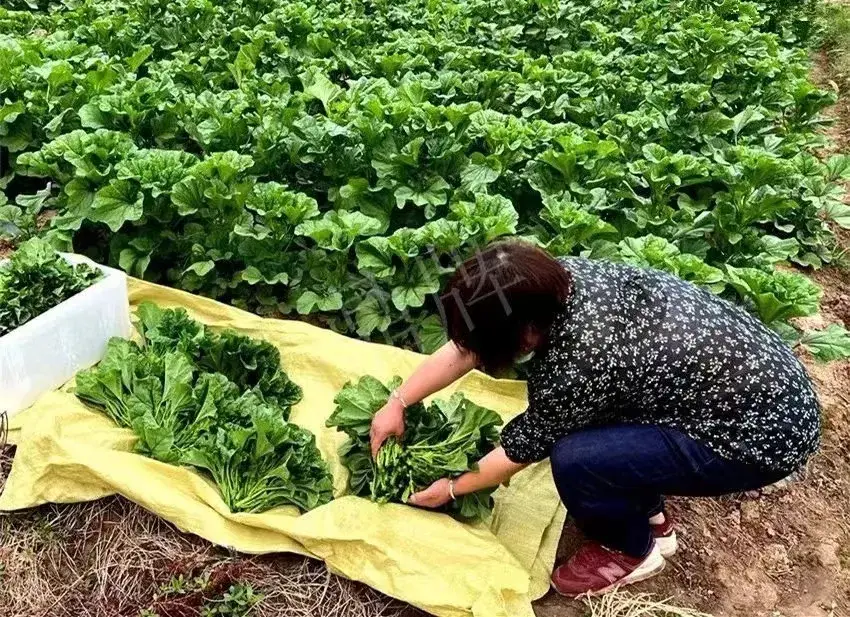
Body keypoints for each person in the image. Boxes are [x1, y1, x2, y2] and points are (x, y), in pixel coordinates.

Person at [369, 240, 820, 597]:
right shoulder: (548, 282)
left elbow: (522, 447)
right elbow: (472, 342)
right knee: (598, 422)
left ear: (525, 333)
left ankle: (632, 550)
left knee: (575, 458)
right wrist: (398, 402)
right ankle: (650, 515)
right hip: (753, 384)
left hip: (757, 438)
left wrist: (451, 488)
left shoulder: (581, 361)